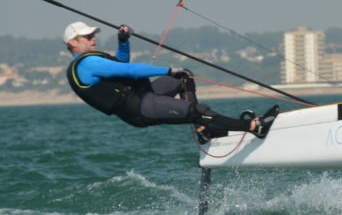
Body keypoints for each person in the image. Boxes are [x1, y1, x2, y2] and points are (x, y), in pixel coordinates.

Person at [63, 21, 278, 143]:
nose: (93, 39)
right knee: (197, 110)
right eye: (87, 37)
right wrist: (167, 70)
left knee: (183, 77)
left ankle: (204, 128)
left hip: (145, 95)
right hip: (139, 108)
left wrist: (123, 41)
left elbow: (121, 62)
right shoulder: (86, 64)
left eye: (93, 35)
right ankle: (253, 127)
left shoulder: (92, 59)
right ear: (73, 42)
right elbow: (129, 70)